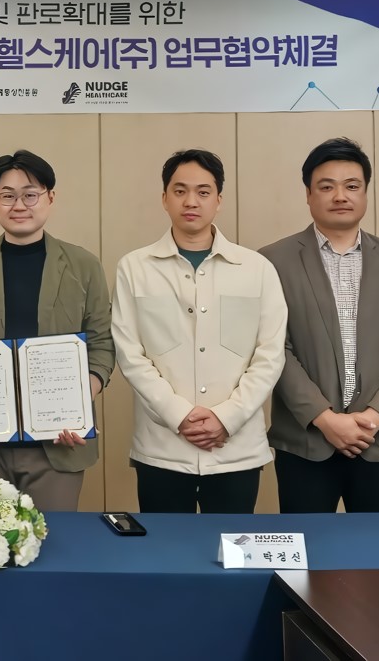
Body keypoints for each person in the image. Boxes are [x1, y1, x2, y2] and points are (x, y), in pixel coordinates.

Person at [260, 138, 379, 513]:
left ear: (365, 192)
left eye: (352, 185)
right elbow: (272, 348)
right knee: (307, 547)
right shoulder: (272, 261)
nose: (340, 196)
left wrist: (373, 418)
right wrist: (324, 419)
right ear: (308, 195)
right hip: (306, 442)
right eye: (327, 186)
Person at [112, 150, 287, 513]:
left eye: (203, 192)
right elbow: (130, 354)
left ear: (218, 200)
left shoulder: (257, 269)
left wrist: (226, 417)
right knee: (164, 546)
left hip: (236, 449)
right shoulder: (135, 267)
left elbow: (270, 355)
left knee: (230, 545)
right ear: (164, 198)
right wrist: (178, 415)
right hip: (161, 449)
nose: (191, 201)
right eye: (180, 191)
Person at [0, 149, 114, 511]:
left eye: (30, 194)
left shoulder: (84, 265)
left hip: (57, 446)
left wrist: (79, 403)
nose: (19, 205)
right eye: (7, 195)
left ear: (50, 197)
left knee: (52, 541)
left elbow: (101, 344)